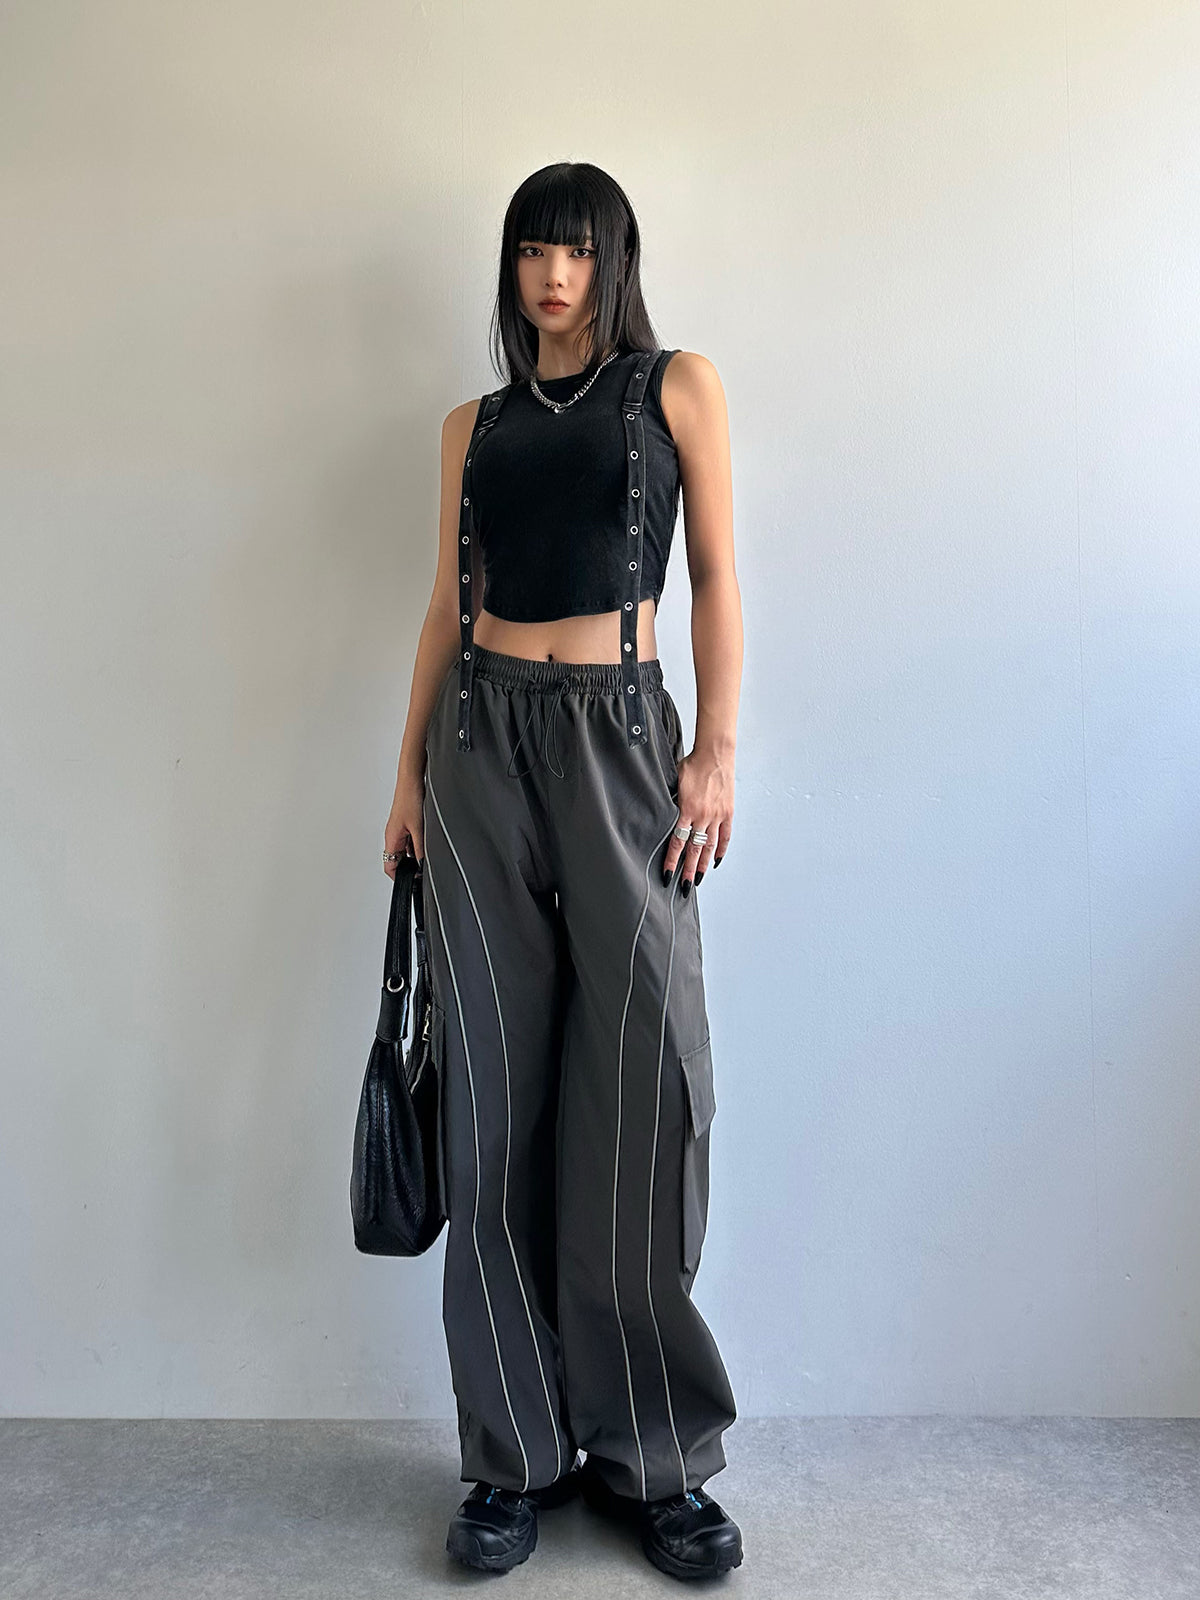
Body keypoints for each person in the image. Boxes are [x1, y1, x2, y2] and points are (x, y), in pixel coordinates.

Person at [384, 161, 744, 1581]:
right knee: (492, 1098)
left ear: (615, 262)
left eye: (579, 251)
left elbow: (714, 576)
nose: (555, 276)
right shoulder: (470, 428)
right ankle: (510, 1458)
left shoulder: (676, 388)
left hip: (622, 744)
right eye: (535, 249)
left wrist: (716, 752)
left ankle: (654, 1455)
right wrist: (404, 779)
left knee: (644, 1092)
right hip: (478, 750)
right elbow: (443, 604)